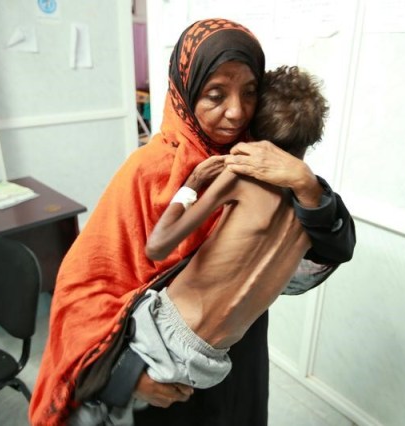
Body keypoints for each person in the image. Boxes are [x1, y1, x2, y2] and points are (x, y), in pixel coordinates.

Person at [29, 18, 355, 426]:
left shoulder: (269, 165)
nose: (236, 112)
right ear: (185, 93)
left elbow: (336, 248)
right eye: (215, 95)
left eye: (250, 92)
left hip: (239, 360)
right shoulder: (148, 171)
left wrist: (307, 186)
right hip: (160, 376)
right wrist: (131, 377)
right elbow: (86, 286)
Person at [123, 65, 332, 399]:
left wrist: (191, 185)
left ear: (252, 129)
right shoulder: (312, 210)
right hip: (213, 359)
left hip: (165, 328)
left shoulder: (237, 178)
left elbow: (157, 247)